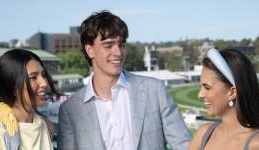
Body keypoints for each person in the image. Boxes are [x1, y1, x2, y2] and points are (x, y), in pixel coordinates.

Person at [58, 10, 191, 150]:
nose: (118, 52)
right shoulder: (70, 110)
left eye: (121, 44)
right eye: (108, 45)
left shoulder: (154, 90)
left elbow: (184, 144)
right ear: (90, 50)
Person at [189, 48, 259, 150]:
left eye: (207, 88)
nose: (200, 95)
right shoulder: (203, 134)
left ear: (232, 92)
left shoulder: (257, 144)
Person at [0, 49, 59, 150]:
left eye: (44, 75)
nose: (44, 83)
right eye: (33, 77)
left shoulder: (46, 127)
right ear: (13, 86)